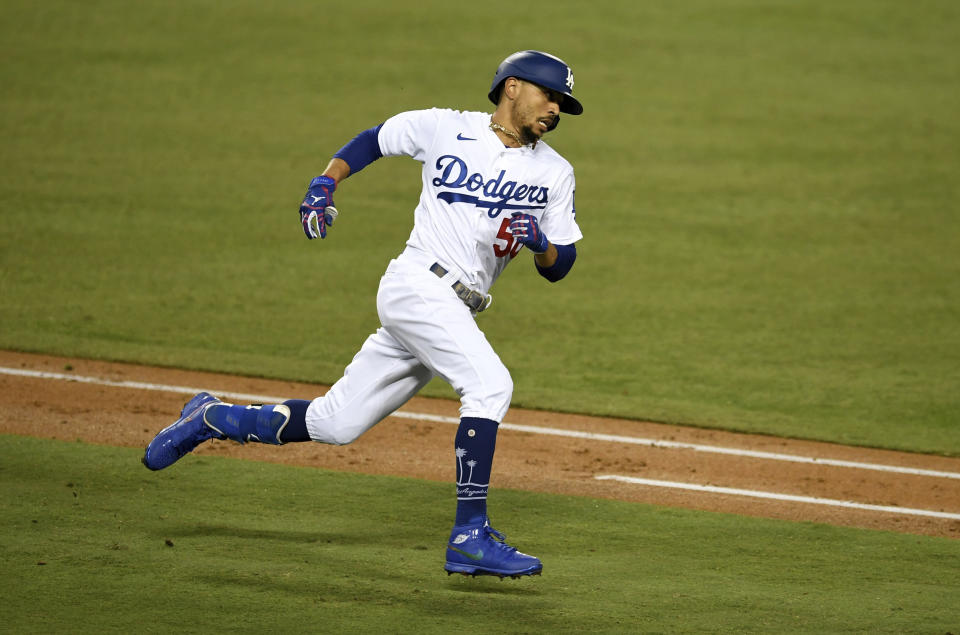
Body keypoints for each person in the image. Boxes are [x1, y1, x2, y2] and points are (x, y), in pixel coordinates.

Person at [142, 50, 584, 579]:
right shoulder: (446, 128)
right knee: (490, 386)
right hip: (418, 284)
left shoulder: (556, 173)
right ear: (512, 87)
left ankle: (210, 417)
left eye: (562, 102)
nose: (556, 108)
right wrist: (324, 183)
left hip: (455, 309)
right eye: (549, 94)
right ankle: (469, 535)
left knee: (336, 422)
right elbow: (375, 139)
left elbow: (560, 265)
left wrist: (541, 246)